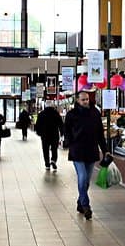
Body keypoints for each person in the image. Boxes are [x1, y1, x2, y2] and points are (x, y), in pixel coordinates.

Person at [63, 90, 109, 220]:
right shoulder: (71, 115)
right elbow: (66, 131)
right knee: (82, 177)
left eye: (87, 99)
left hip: (91, 150)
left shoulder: (95, 113)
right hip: (77, 151)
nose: (86, 101)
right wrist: (69, 142)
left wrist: (105, 150)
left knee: (87, 181)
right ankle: (86, 205)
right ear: (77, 100)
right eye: (83, 99)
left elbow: (100, 133)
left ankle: (79, 203)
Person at [36, 103, 64, 171]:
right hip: (54, 134)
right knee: (54, 149)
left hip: (45, 135)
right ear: (52, 107)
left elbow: (37, 124)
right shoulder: (56, 113)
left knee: (45, 150)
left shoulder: (41, 114)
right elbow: (61, 124)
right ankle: (53, 160)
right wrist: (62, 133)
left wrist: (39, 133)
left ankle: (47, 164)